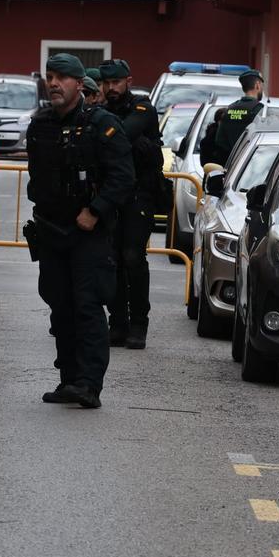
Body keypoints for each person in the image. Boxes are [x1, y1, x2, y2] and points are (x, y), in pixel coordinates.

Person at [25, 53, 134, 408]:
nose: (54, 83)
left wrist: (95, 210)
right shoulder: (40, 125)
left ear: (79, 84)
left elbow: (122, 178)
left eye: (62, 78)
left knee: (87, 307)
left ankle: (89, 384)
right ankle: (68, 379)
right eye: (50, 76)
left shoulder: (102, 125)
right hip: (52, 230)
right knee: (60, 306)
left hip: (88, 232)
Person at [99, 58, 164, 350]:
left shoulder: (142, 108)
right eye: (106, 83)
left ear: (128, 81)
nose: (111, 88)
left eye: (116, 82)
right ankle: (118, 323)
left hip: (139, 194)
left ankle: (139, 324)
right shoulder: (100, 111)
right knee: (112, 258)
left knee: (133, 257)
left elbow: (121, 135)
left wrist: (104, 133)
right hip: (112, 193)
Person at [210, 70, 266, 166]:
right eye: (261, 85)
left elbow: (219, 141)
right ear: (257, 85)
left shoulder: (229, 109)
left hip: (230, 165)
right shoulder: (260, 110)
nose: (261, 88)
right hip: (252, 165)